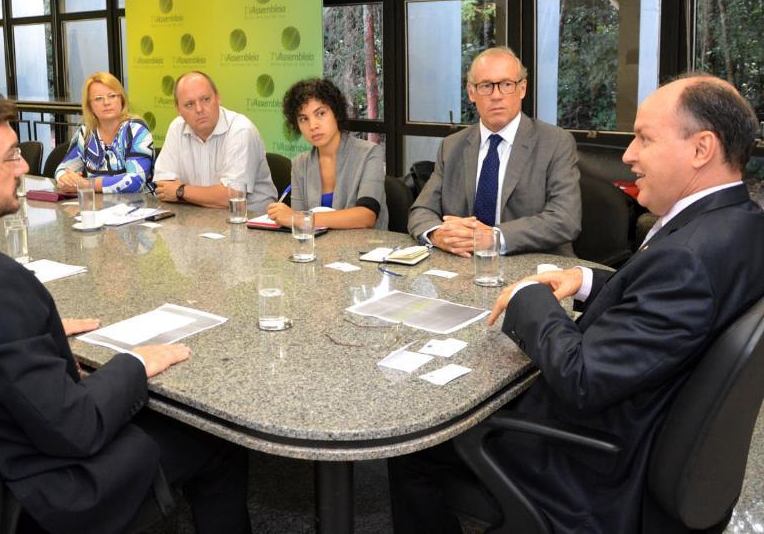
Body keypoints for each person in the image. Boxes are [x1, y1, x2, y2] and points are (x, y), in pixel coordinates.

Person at [0, 84, 251, 534]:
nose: (24, 167)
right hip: (39, 491)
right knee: (217, 443)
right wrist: (134, 361)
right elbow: (77, 428)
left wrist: (36, 336)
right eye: (11, 155)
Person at [388, 75, 764, 533]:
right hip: (644, 421)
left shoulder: (686, 257)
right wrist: (583, 279)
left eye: (645, 138)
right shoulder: (738, 223)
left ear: (702, 149)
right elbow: (662, 304)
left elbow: (582, 377)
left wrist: (528, 296)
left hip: (588, 466)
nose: (628, 154)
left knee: (414, 447)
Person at [406, 46, 580, 256]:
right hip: (463, 267)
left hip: (535, 266)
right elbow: (421, 210)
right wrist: (437, 234)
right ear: (471, 92)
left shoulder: (555, 142)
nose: (496, 96)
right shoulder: (451, 146)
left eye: (507, 84)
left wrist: (494, 237)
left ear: (522, 88)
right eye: (486, 86)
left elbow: (565, 219)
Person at [266, 78, 387, 229]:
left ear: (335, 112)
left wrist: (300, 219)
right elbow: (298, 224)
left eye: (320, 113)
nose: (313, 126)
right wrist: (294, 218)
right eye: (303, 119)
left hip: (363, 249)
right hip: (315, 249)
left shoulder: (369, 154)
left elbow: (366, 216)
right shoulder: (300, 164)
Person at [153, 71, 277, 212]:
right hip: (198, 218)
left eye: (205, 99)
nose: (199, 109)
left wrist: (181, 191)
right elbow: (164, 187)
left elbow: (232, 197)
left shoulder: (241, 130)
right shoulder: (177, 128)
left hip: (251, 222)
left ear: (218, 98)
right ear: (178, 109)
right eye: (189, 104)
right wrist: (192, 194)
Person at [53, 71, 154, 193]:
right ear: (90, 106)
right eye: (98, 99)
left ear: (121, 99)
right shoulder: (86, 133)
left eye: (112, 96)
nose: (106, 102)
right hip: (98, 208)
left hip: (139, 207)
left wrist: (86, 184)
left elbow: (135, 181)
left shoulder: (137, 131)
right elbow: (62, 169)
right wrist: (65, 179)